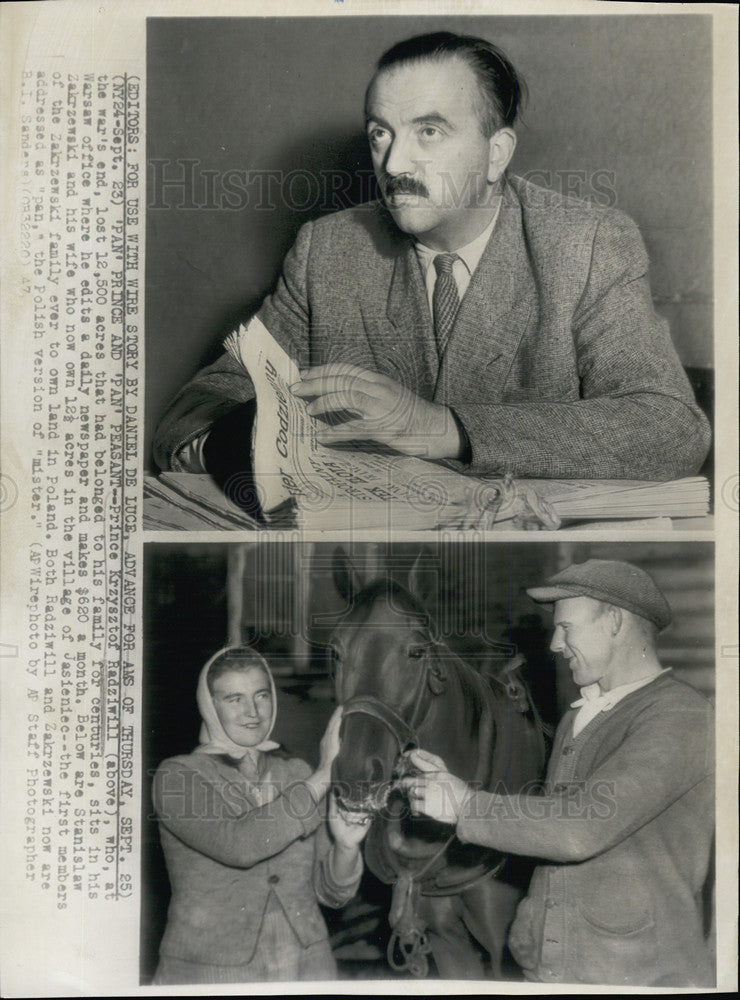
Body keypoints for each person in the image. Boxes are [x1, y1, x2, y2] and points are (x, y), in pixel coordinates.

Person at [153, 31, 709, 494]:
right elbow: (200, 406)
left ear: (497, 153)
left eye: (429, 131)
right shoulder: (327, 250)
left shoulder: (588, 244)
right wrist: (233, 446)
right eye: (380, 134)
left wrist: (443, 428)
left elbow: (670, 430)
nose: (394, 161)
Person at [400, 559, 715, 987]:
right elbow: (552, 827)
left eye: (566, 627)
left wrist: (463, 804)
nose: (554, 643)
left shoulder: (679, 715)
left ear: (616, 622)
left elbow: (580, 829)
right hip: (556, 968)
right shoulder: (580, 716)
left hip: (638, 974)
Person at [151, 646, 369, 984]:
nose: (253, 711)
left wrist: (346, 848)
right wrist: (325, 774)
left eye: (261, 695)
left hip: (307, 965)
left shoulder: (296, 772)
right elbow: (240, 844)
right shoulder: (178, 777)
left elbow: (331, 893)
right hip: (210, 970)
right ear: (209, 706)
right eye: (234, 699)